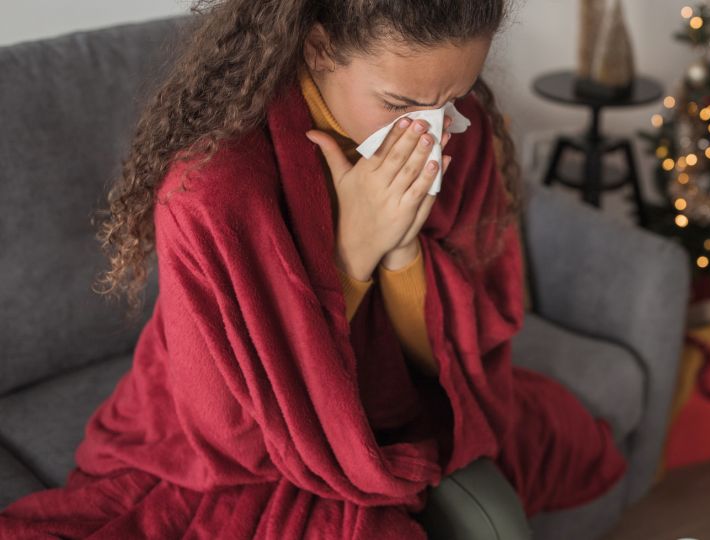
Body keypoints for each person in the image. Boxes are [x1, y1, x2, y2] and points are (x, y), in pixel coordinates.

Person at [0, 1, 627, 537]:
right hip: (244, 441)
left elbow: (466, 350)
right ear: (321, 49)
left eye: (453, 98)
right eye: (399, 102)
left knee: (567, 442)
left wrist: (403, 252)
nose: (430, 132)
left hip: (405, 399)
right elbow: (232, 429)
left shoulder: (463, 133)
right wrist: (350, 257)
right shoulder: (213, 190)